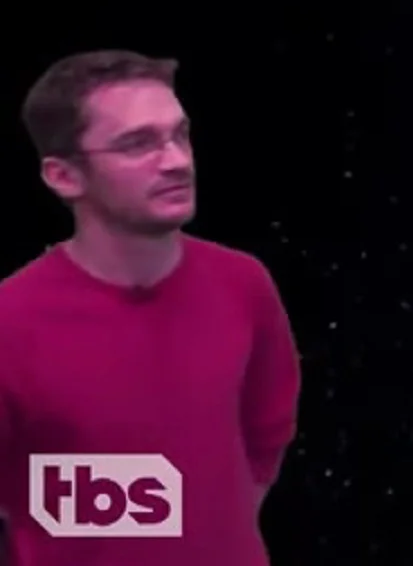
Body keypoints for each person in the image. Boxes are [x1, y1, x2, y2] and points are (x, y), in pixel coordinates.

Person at [0, 51, 300, 566]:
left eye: (180, 134)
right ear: (64, 176)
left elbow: (265, 435)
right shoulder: (11, 321)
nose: (177, 161)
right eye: (138, 144)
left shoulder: (243, 284)